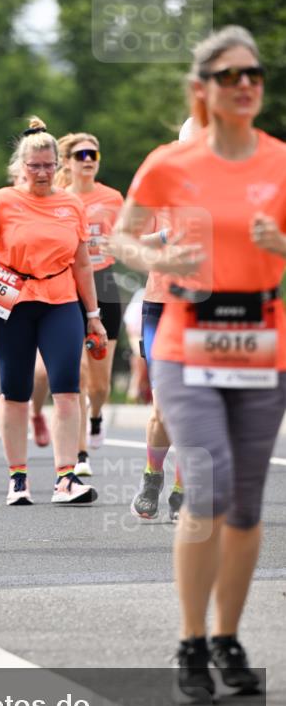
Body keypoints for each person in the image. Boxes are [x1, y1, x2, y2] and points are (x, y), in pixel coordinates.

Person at [111, 25, 286, 701]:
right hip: (186, 342)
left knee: (244, 506)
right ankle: (189, 640)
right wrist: (157, 259)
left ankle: (227, 635)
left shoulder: (277, 161)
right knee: (207, 486)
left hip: (262, 345)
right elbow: (122, 235)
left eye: (254, 74)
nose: (244, 84)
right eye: (229, 75)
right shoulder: (169, 162)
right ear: (200, 90)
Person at [0, 117, 106, 506]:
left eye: (48, 166)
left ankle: (65, 478)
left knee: (66, 386)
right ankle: (18, 478)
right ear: (20, 167)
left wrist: (93, 315)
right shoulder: (3, 200)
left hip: (59, 300)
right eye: (34, 166)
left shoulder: (71, 204)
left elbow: (82, 264)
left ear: (58, 166)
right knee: (15, 390)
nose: (42, 173)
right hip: (10, 302)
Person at [131, 118, 200, 523]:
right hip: (162, 304)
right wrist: (163, 238)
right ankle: (152, 475)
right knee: (165, 408)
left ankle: (182, 489)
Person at [55, 133, 124, 472]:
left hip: (105, 284)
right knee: (78, 373)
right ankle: (80, 454)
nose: (87, 159)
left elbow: (130, 238)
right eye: (80, 154)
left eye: (92, 154)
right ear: (67, 162)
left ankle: (96, 414)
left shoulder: (113, 198)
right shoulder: (58, 200)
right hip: (69, 284)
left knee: (100, 382)